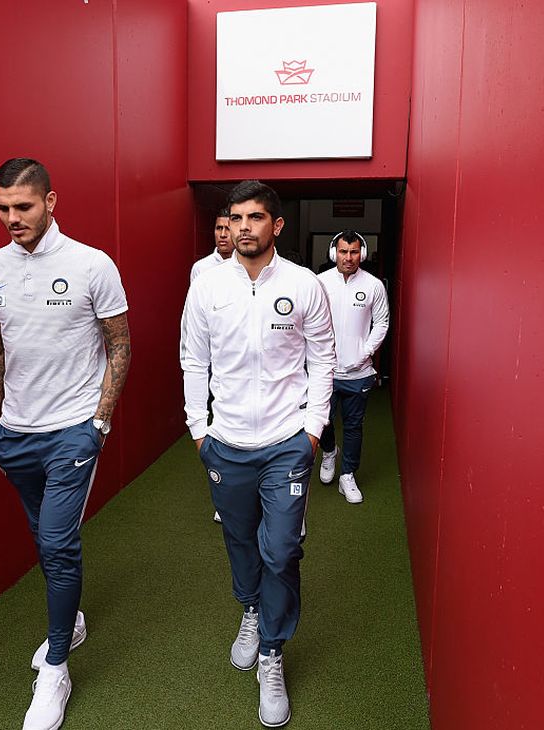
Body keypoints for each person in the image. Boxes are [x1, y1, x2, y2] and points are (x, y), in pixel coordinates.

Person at [0, 158, 131, 730]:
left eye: (23, 206)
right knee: (45, 539)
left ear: (50, 201)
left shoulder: (92, 264)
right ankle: (74, 620)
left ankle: (56, 668)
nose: (12, 218)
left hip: (72, 432)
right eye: (2, 208)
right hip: (15, 435)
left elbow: (120, 345)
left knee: (58, 544)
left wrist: (99, 423)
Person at [181, 180, 336, 728]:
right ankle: (250, 608)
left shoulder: (304, 285)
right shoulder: (207, 285)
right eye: (236, 217)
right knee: (240, 540)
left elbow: (322, 359)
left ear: (277, 225)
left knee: (282, 551)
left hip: (285, 444)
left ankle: (272, 650)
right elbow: (192, 359)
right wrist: (199, 429)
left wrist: (313, 429)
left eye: (255, 217)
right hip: (226, 445)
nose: (243, 226)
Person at [316, 231, 389, 503]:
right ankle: (329, 452)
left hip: (358, 372)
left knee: (354, 426)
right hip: (325, 370)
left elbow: (381, 322)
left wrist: (365, 351)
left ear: (363, 254)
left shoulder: (373, 286)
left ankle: (347, 474)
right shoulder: (319, 283)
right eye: (344, 252)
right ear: (334, 253)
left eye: (354, 252)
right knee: (323, 421)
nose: (349, 257)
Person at [187, 210, 233, 524]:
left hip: (239, 362)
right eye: (218, 228)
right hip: (213, 363)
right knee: (218, 428)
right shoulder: (201, 269)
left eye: (227, 228)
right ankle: (225, 496)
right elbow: (195, 320)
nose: (222, 234)